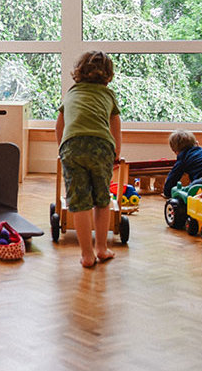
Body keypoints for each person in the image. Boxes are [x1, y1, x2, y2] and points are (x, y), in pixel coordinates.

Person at [55, 50, 123, 269]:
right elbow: (115, 126)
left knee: (79, 201)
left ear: (79, 72)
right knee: (102, 200)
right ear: (108, 76)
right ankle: (101, 249)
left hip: (72, 146)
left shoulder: (71, 93)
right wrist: (116, 153)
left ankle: (86, 255)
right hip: (101, 146)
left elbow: (59, 125)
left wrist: (62, 150)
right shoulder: (108, 95)